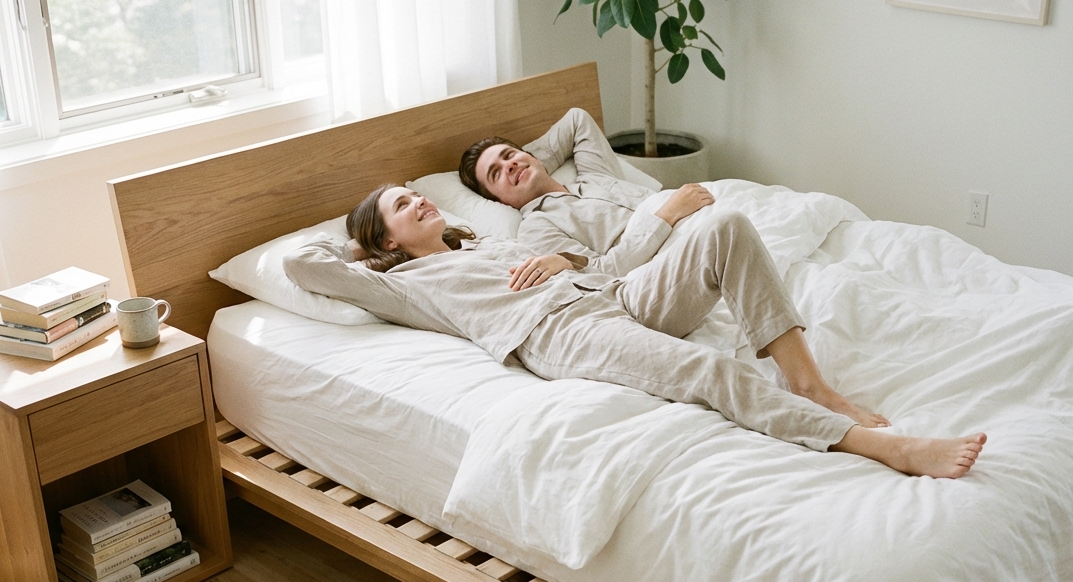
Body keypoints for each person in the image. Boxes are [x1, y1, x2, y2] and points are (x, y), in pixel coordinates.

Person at [283, 183, 986, 479]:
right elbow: (298, 262)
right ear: (386, 239)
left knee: (727, 227)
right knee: (707, 371)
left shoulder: (482, 246)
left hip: (609, 292)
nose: (420, 200)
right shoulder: (405, 287)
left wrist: (563, 257)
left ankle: (811, 383)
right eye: (403, 206)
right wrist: (357, 249)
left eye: (416, 191)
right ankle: (883, 447)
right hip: (561, 332)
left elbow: (597, 263)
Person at [459, 107, 704, 277]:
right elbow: (600, 272)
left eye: (509, 155)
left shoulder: (593, 174)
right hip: (679, 244)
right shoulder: (536, 227)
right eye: (496, 173)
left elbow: (577, 119)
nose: (509, 164)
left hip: (704, 209)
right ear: (500, 201)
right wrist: (667, 214)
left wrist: (529, 163)